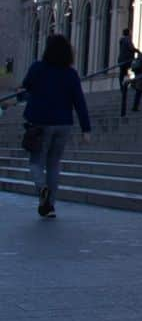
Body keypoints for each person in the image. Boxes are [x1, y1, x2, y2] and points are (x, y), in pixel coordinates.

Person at [17, 33, 91, 219]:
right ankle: (49, 206)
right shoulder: (70, 74)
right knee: (53, 164)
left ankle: (42, 189)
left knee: (36, 162)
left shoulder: (38, 68)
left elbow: (25, 87)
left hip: (40, 122)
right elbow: (79, 102)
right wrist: (86, 129)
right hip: (63, 124)